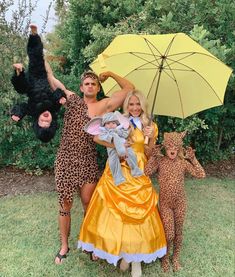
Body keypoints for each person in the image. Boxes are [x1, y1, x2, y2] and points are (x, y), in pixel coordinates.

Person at [78, 90, 167, 277]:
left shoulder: (151, 125)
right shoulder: (117, 120)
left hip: (138, 170)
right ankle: (122, 253)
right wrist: (117, 147)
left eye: (138, 104)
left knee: (138, 213)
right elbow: (96, 137)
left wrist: (150, 139)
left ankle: (134, 260)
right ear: (126, 106)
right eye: (131, 104)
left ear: (143, 106)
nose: (134, 108)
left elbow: (149, 154)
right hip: (118, 168)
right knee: (117, 214)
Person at [53, 70, 135, 264]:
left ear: (98, 88)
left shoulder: (104, 105)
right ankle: (64, 246)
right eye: (87, 83)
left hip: (88, 160)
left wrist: (112, 74)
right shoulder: (72, 100)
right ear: (81, 87)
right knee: (64, 204)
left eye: (93, 84)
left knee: (89, 203)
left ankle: (90, 244)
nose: (90, 86)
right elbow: (54, 81)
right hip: (65, 160)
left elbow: (130, 89)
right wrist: (38, 52)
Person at [144, 131, 206, 272]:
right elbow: (146, 172)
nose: (172, 149)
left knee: (178, 232)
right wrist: (153, 157)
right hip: (165, 204)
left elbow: (201, 174)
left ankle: (175, 258)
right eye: (169, 146)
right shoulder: (160, 161)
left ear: (179, 148)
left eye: (175, 146)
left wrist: (193, 159)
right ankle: (165, 258)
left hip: (180, 203)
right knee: (169, 233)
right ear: (165, 147)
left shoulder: (182, 163)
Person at [10, 24, 66, 142]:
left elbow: (22, 107)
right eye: (48, 122)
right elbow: (58, 92)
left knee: (21, 88)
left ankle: (19, 71)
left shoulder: (32, 111)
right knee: (36, 58)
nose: (45, 119)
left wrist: (17, 114)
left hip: (29, 86)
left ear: (37, 121)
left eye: (42, 122)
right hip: (40, 77)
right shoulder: (54, 107)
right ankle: (34, 35)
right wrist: (61, 97)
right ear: (52, 122)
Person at [84, 111, 143, 185]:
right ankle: (118, 178)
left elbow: (125, 135)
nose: (111, 125)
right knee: (113, 161)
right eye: (108, 123)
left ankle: (135, 170)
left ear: (117, 124)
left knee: (131, 154)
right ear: (104, 125)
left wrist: (121, 132)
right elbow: (102, 137)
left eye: (113, 123)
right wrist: (112, 136)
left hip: (124, 146)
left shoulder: (119, 129)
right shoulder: (104, 132)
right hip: (112, 149)